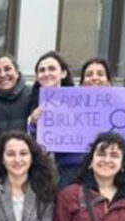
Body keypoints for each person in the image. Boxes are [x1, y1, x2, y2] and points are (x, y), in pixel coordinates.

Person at [26, 51, 78, 185]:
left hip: (71, 169)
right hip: (42, 171)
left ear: (63, 73)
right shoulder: (30, 102)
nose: (46, 73)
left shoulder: (80, 102)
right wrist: (33, 124)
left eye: (52, 68)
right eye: (42, 70)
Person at [80, 56, 125, 148]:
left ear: (108, 82)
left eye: (100, 74)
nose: (94, 78)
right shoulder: (70, 108)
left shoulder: (123, 105)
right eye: (89, 75)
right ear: (82, 83)